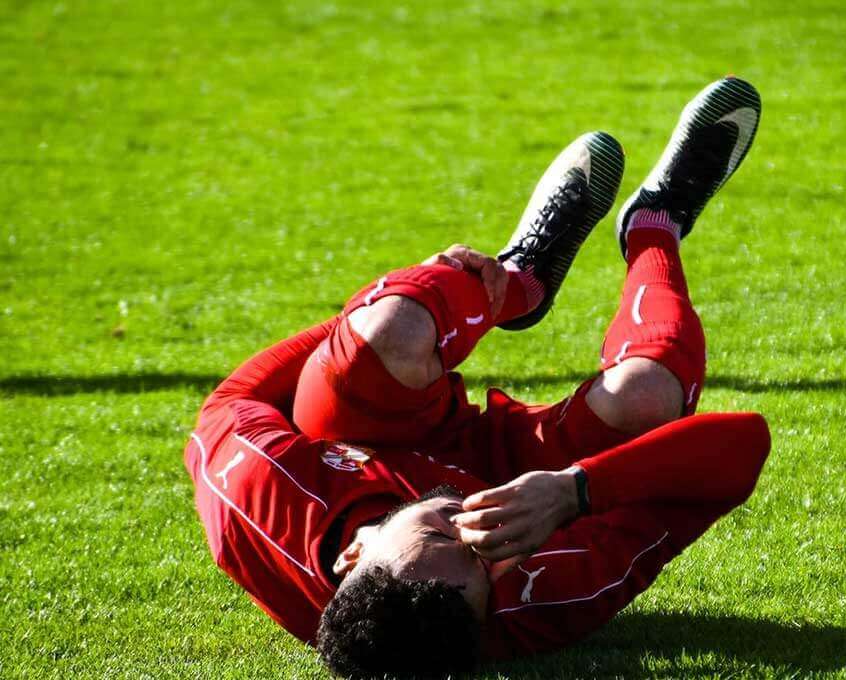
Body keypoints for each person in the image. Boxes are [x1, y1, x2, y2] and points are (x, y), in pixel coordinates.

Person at [183, 77, 769, 677]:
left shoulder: (261, 498)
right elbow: (743, 442)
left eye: (442, 537)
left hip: (355, 432)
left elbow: (228, 401)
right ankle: (657, 222)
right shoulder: (550, 594)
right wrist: (575, 491)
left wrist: (402, 305)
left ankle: (517, 283)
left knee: (389, 333)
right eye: (485, 561)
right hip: (520, 470)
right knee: (648, 395)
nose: (473, 523)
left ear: (354, 554)